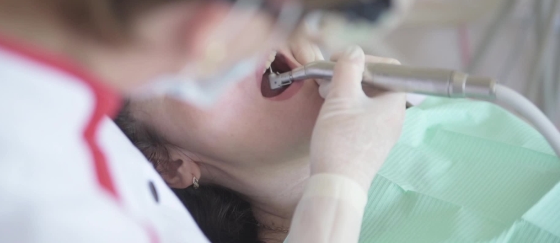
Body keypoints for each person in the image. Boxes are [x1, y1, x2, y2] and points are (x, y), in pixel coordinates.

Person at [0, 0, 476, 242]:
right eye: (289, 11)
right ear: (210, 26)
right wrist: (339, 188)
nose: (295, 35)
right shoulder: (45, 209)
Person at [118, 39, 560, 243]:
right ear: (171, 165)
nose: (237, 48)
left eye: (227, 27)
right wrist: (339, 180)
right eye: (194, 74)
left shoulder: (434, 109)